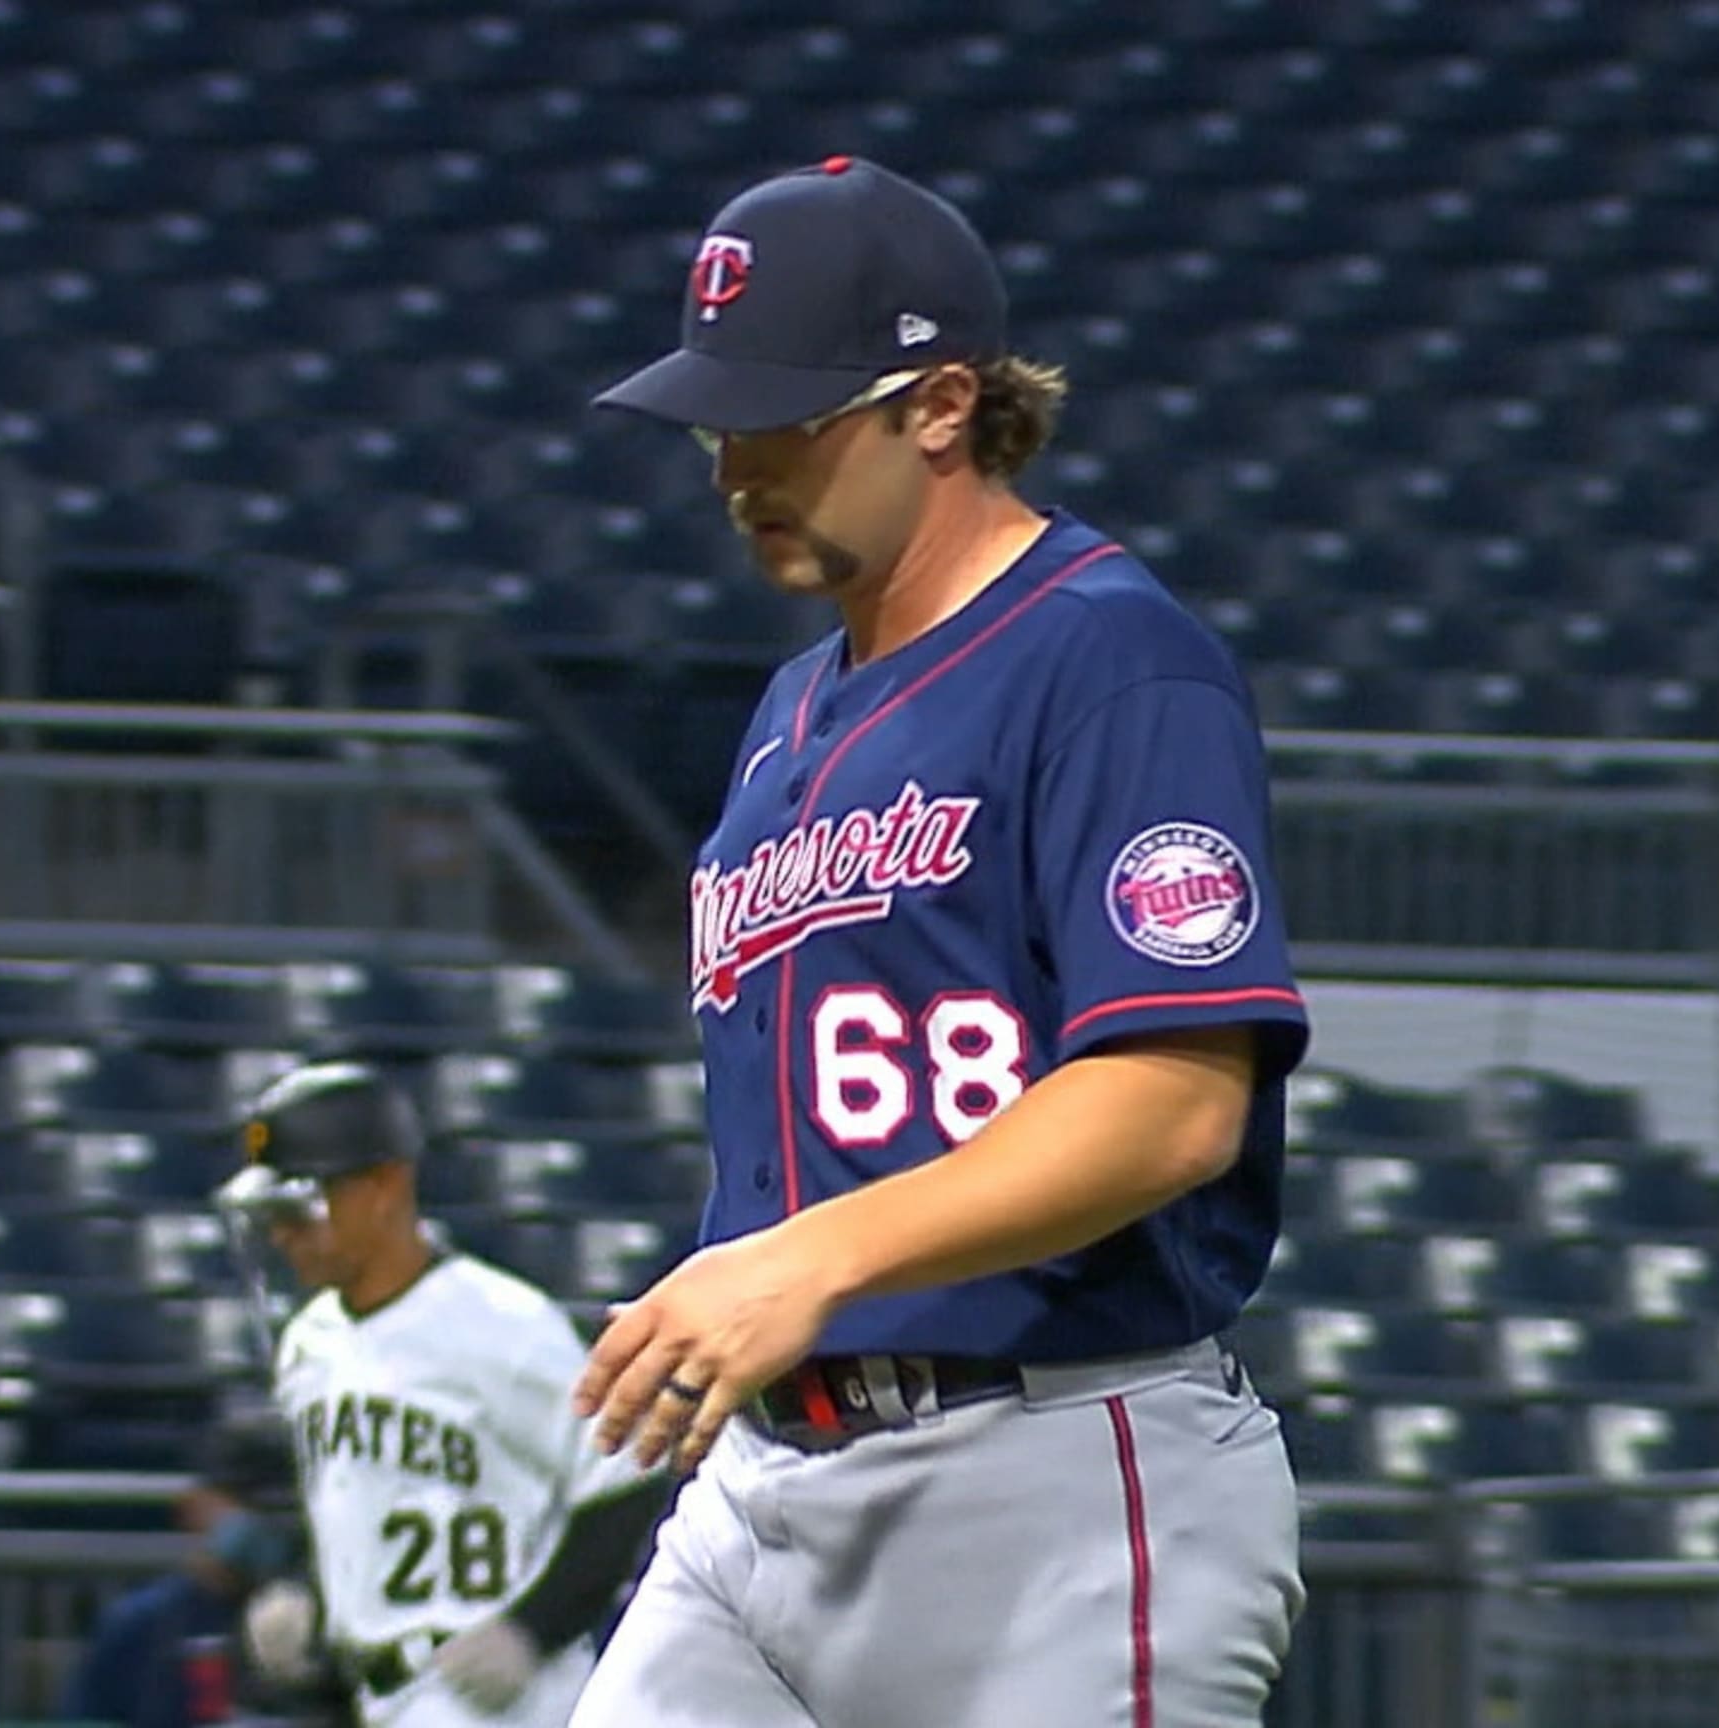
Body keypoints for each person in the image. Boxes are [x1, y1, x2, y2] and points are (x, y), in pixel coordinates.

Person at [569, 154, 1314, 1727]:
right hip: (770, 1483)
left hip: (1050, 1479)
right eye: (720, 424)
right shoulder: (789, 711)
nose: (736, 466)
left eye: (788, 419)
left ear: (941, 406)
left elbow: (1178, 1101)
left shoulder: (1111, 660)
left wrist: (810, 1259)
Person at [215, 1060, 676, 1728]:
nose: (283, 1234)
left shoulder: (502, 1323)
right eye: (271, 1216)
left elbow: (623, 1476)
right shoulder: (308, 1340)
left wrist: (531, 1628)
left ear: (384, 1186)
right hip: (377, 1692)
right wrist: (302, 1590)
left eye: (298, 1209)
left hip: (502, 1697)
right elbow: (351, 1501)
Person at [61, 1421, 337, 1728]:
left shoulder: (323, 1624)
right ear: (194, 1506)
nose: (268, 1522)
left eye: (281, 1509)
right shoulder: (139, 1627)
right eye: (247, 1504)